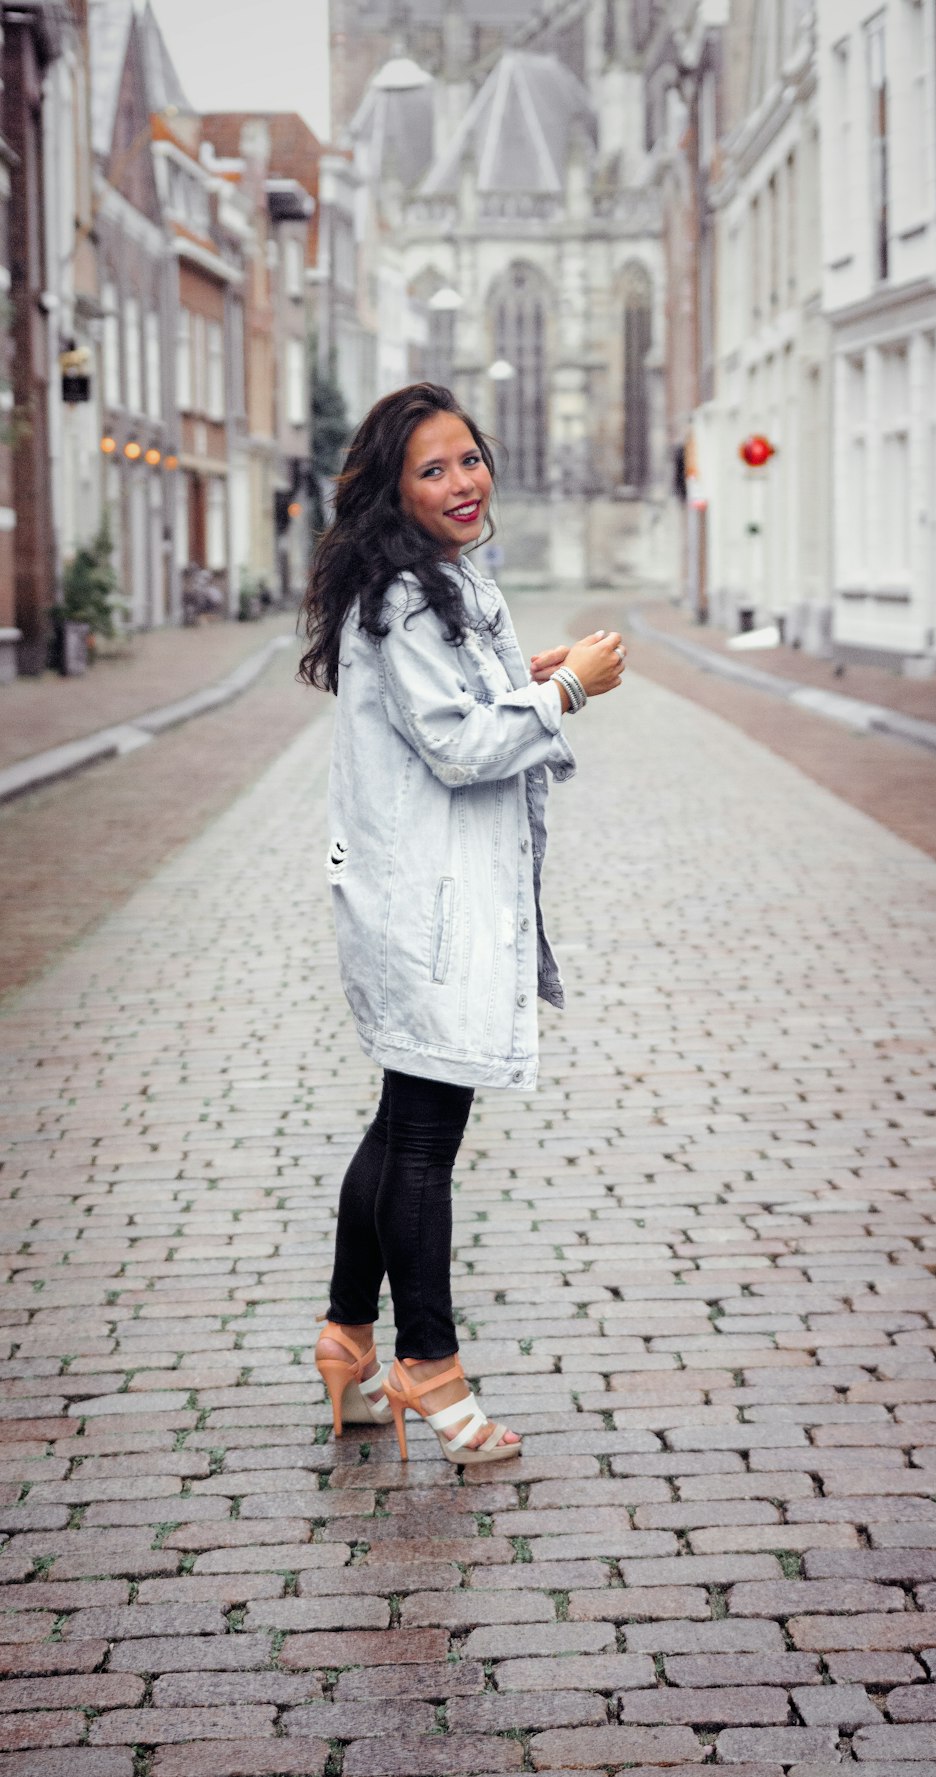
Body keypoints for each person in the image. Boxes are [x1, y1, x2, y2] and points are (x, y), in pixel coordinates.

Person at [298, 382, 626, 1466]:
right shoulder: (401, 594)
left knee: (399, 1118)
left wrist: (515, 676)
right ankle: (427, 1366)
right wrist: (567, 693)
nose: (463, 481)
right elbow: (456, 747)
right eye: (432, 469)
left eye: (469, 458)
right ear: (393, 491)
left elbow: (449, 707)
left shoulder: (435, 580)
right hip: (423, 904)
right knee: (426, 1136)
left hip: (429, 892)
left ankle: (346, 1336)